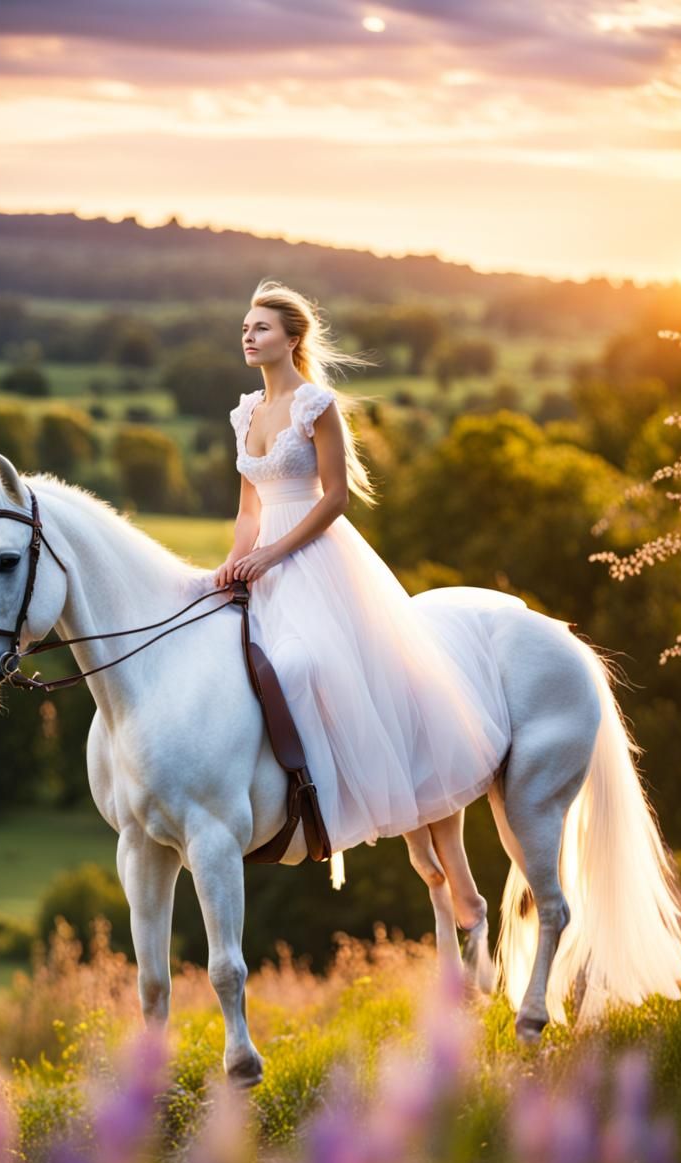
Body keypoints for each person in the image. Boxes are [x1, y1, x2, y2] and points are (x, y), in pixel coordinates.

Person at [212, 279, 509, 924]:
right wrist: (236, 559)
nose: (249, 335)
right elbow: (247, 510)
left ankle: (338, 804)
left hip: (316, 560)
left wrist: (273, 553)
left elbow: (336, 498)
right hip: (263, 564)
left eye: (261, 327)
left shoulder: (315, 406)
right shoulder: (245, 413)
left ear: (292, 339)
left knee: (312, 666)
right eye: (246, 327)